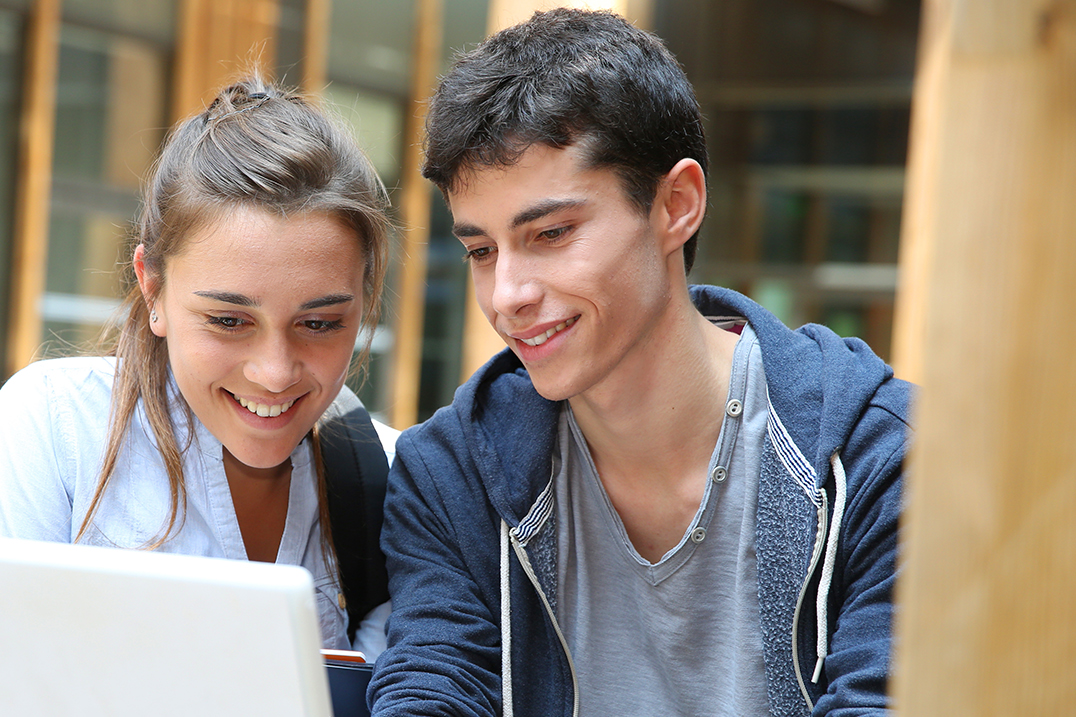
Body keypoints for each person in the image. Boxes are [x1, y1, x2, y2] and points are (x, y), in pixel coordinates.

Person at [368, 9, 909, 716]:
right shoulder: (450, 475)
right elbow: (432, 686)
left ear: (676, 205)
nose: (507, 296)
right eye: (481, 250)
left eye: (552, 232)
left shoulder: (880, 461)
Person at [0, 76, 397, 658]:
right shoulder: (59, 428)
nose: (274, 372)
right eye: (229, 321)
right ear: (152, 288)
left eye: (319, 324)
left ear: (364, 306)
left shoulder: (391, 476)